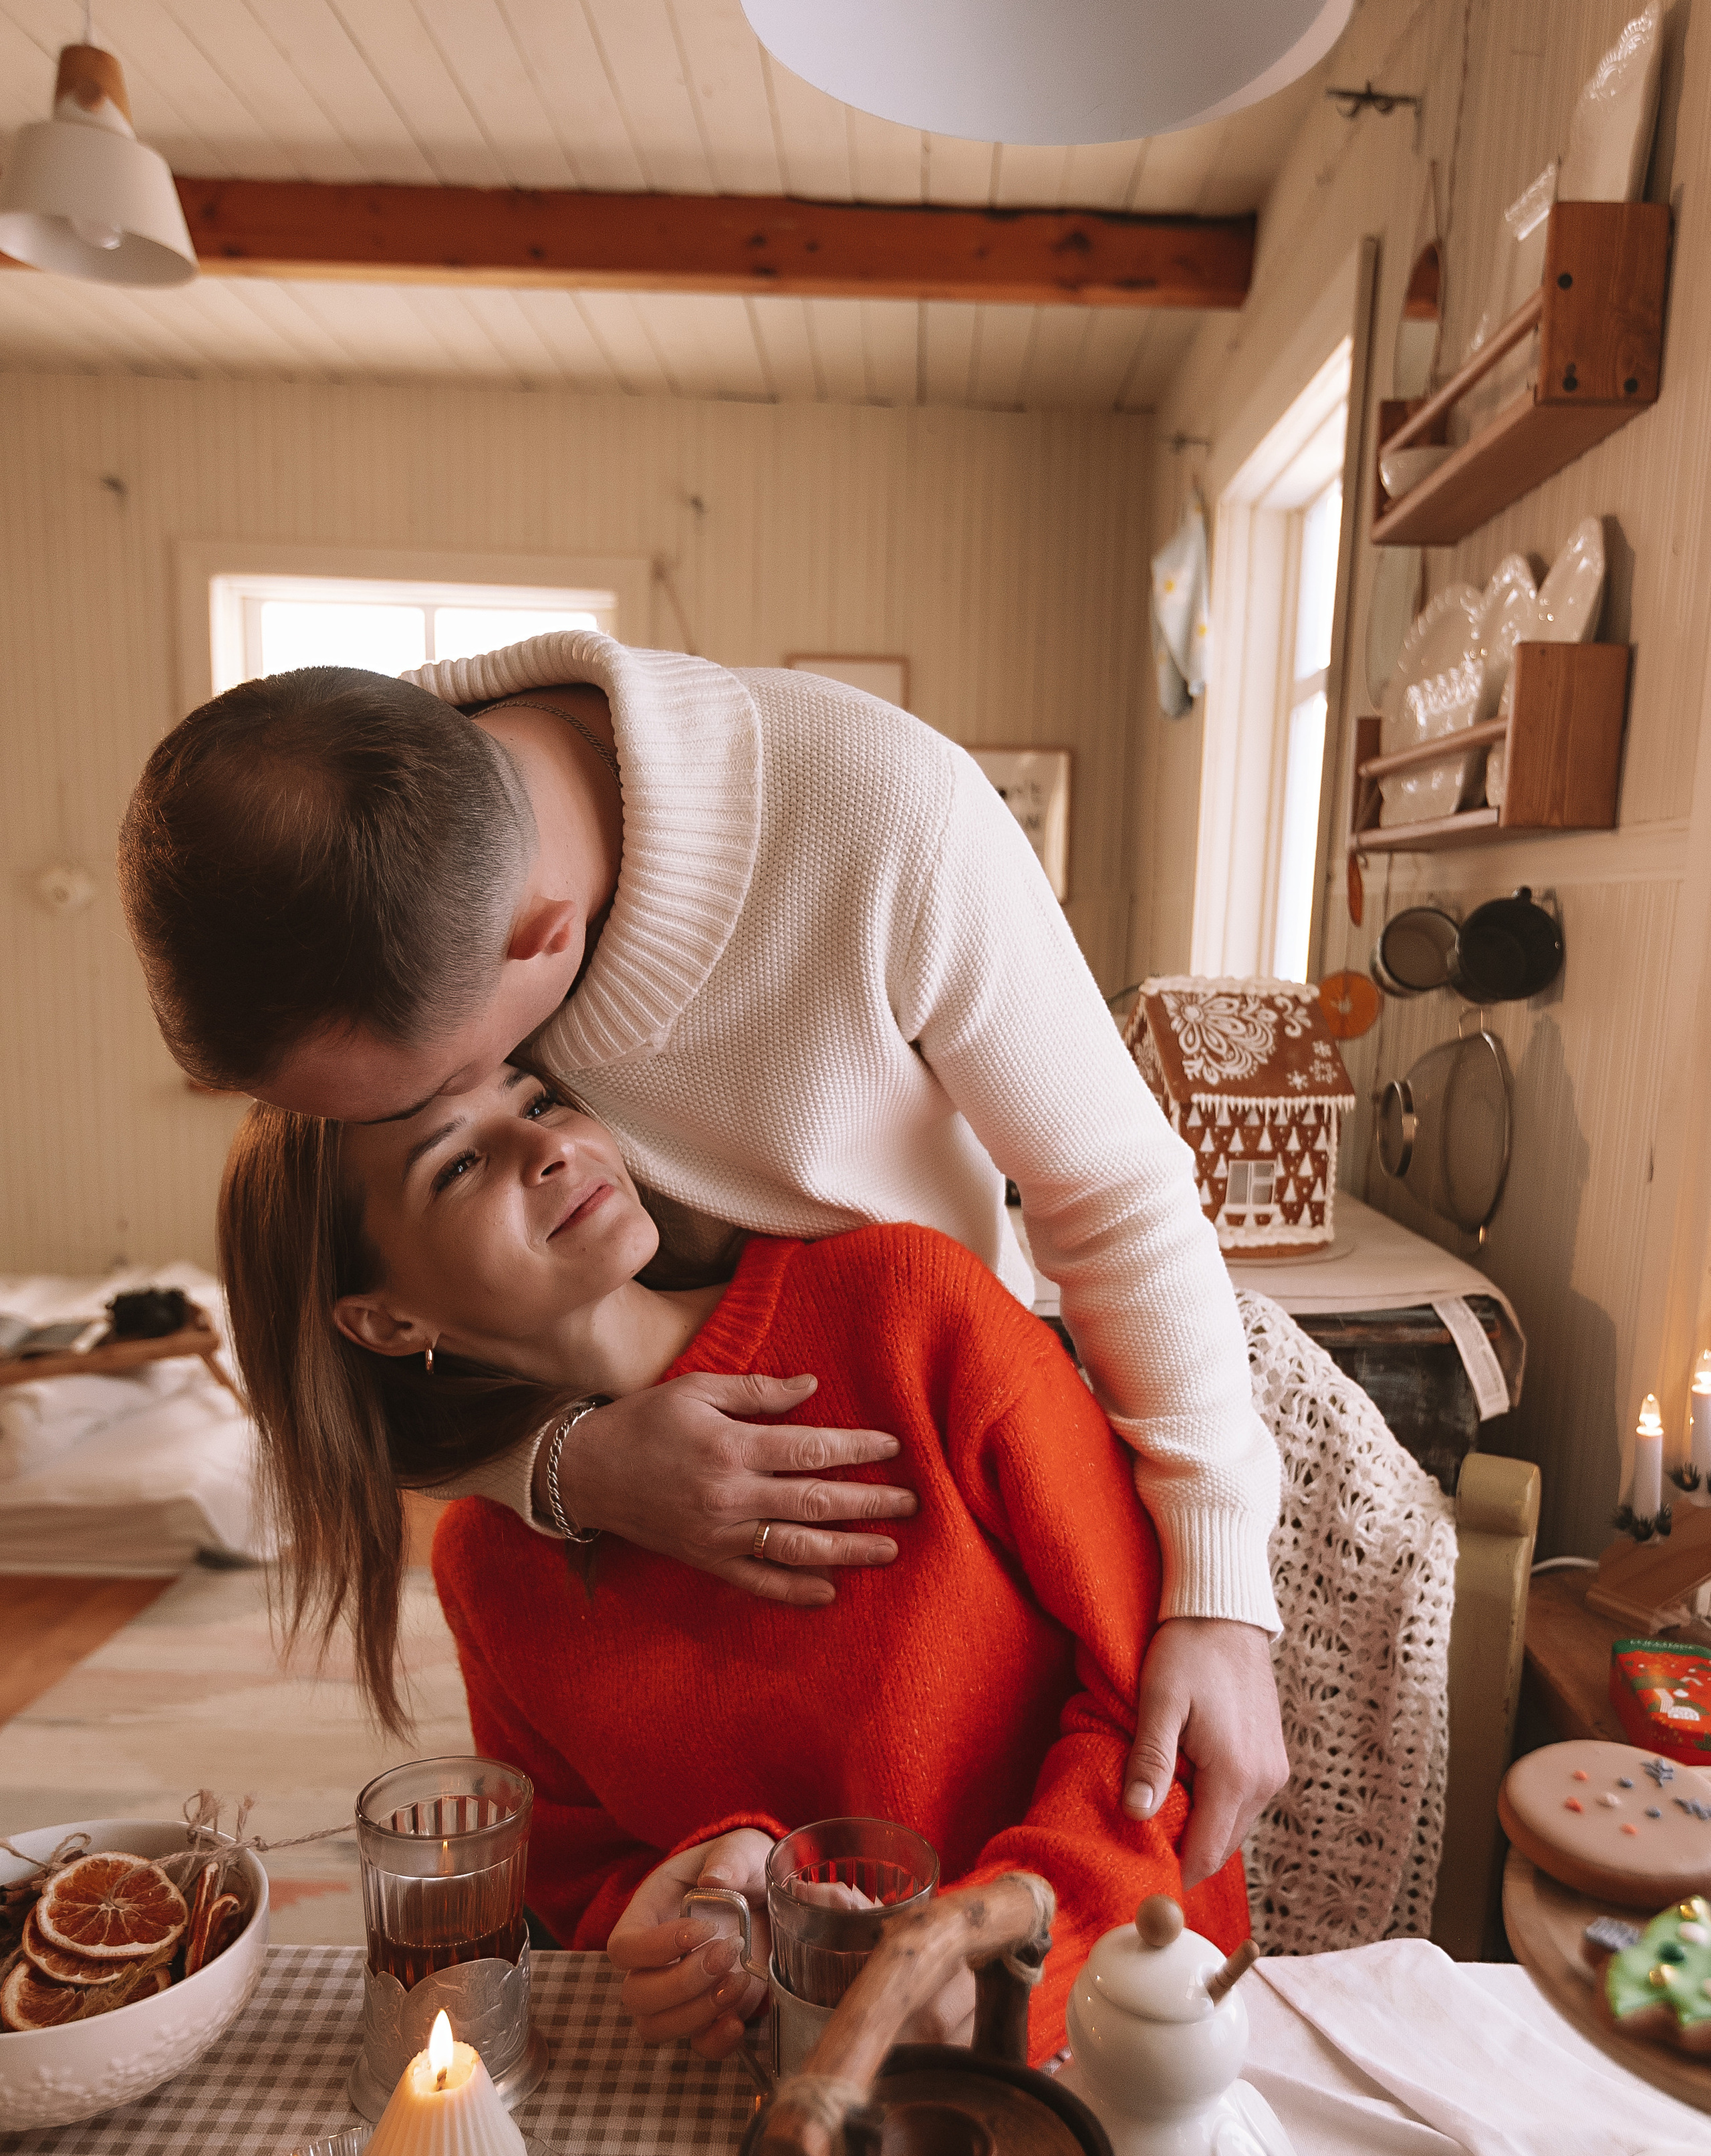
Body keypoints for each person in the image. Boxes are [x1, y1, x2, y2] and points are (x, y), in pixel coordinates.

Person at [120, 631, 1287, 1888]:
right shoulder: (355, 848)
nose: (547, 1142)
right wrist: (565, 1470)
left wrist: (1219, 1592)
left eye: (476, 1089)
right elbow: (340, 1338)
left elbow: (1115, 1196)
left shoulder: (887, 817)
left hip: (948, 1472)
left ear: (544, 945)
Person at [216, 1070, 1250, 2065]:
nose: (550, 1147)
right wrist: (705, 1920)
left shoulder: (906, 1308)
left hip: (1130, 2031)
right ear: (390, 1323)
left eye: (536, 1098)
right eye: (457, 1166)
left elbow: (1160, 1726)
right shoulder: (488, 1565)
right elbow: (588, 1882)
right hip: (786, 2088)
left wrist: (1015, 1958)